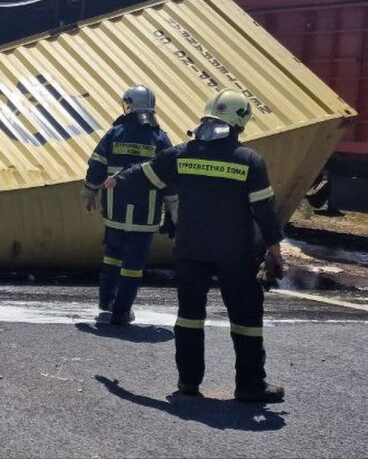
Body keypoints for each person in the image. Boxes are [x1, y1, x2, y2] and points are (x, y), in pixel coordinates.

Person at [106, 89, 286, 403]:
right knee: (245, 320)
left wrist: (114, 181)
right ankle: (250, 385)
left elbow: (142, 175)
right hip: (237, 254)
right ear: (240, 123)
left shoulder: (181, 154)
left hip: (191, 251)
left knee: (189, 317)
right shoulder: (249, 161)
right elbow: (265, 212)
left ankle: (188, 383)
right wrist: (274, 249)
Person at [81, 85, 175, 325]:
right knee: (134, 262)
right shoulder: (159, 137)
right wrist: (174, 208)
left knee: (113, 254)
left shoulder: (116, 133)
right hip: (146, 213)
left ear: (129, 104)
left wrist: (89, 192)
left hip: (116, 210)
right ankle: (121, 311)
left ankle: (106, 300)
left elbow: (97, 165)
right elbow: (171, 174)